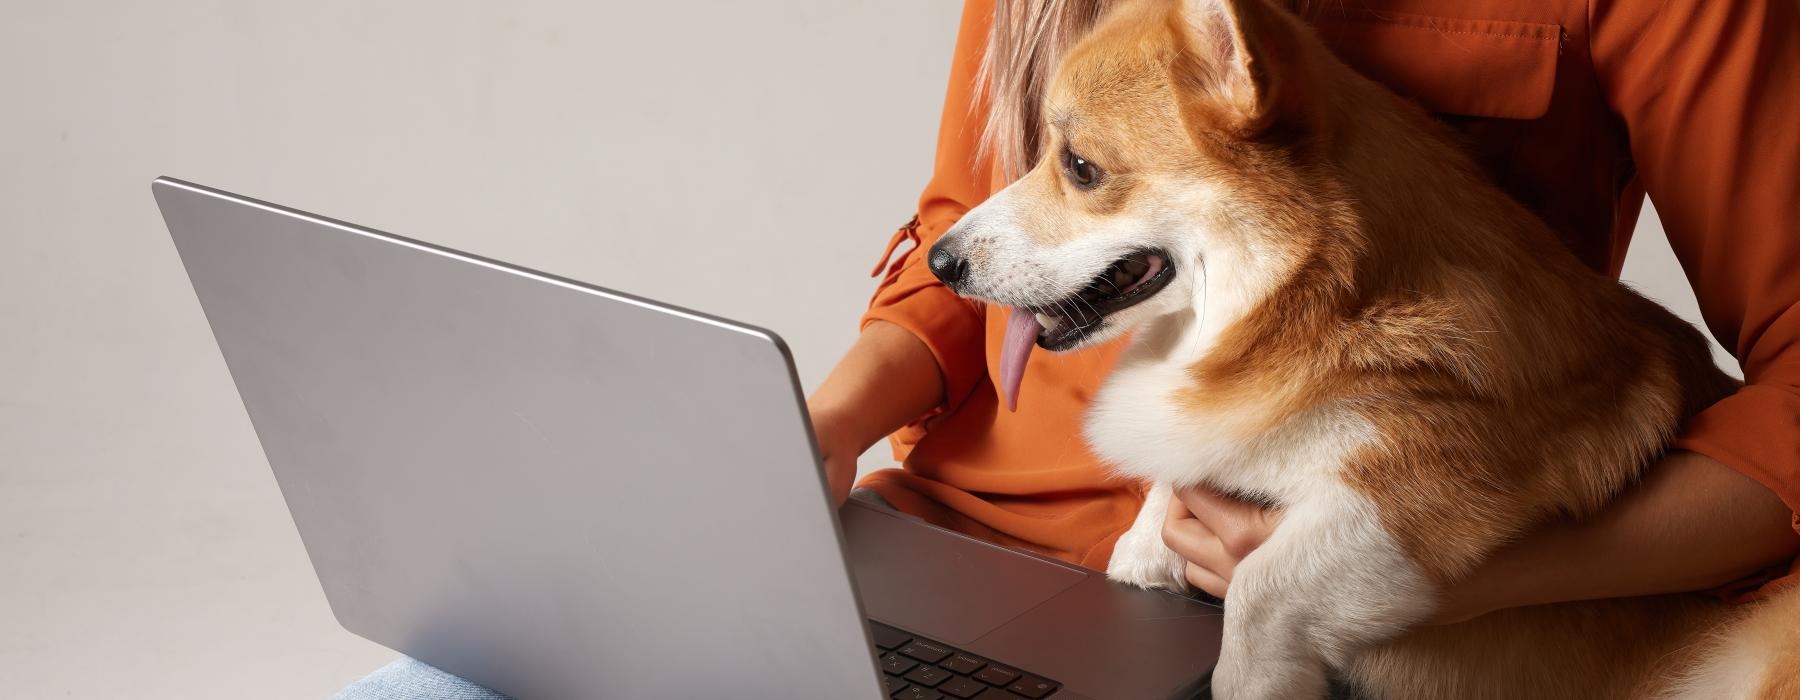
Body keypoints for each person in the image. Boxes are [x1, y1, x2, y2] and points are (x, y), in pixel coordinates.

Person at [338, 0, 1800, 696]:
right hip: (933, 534)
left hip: (1242, 619)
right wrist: (818, 431)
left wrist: (1461, 571)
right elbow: (956, 248)